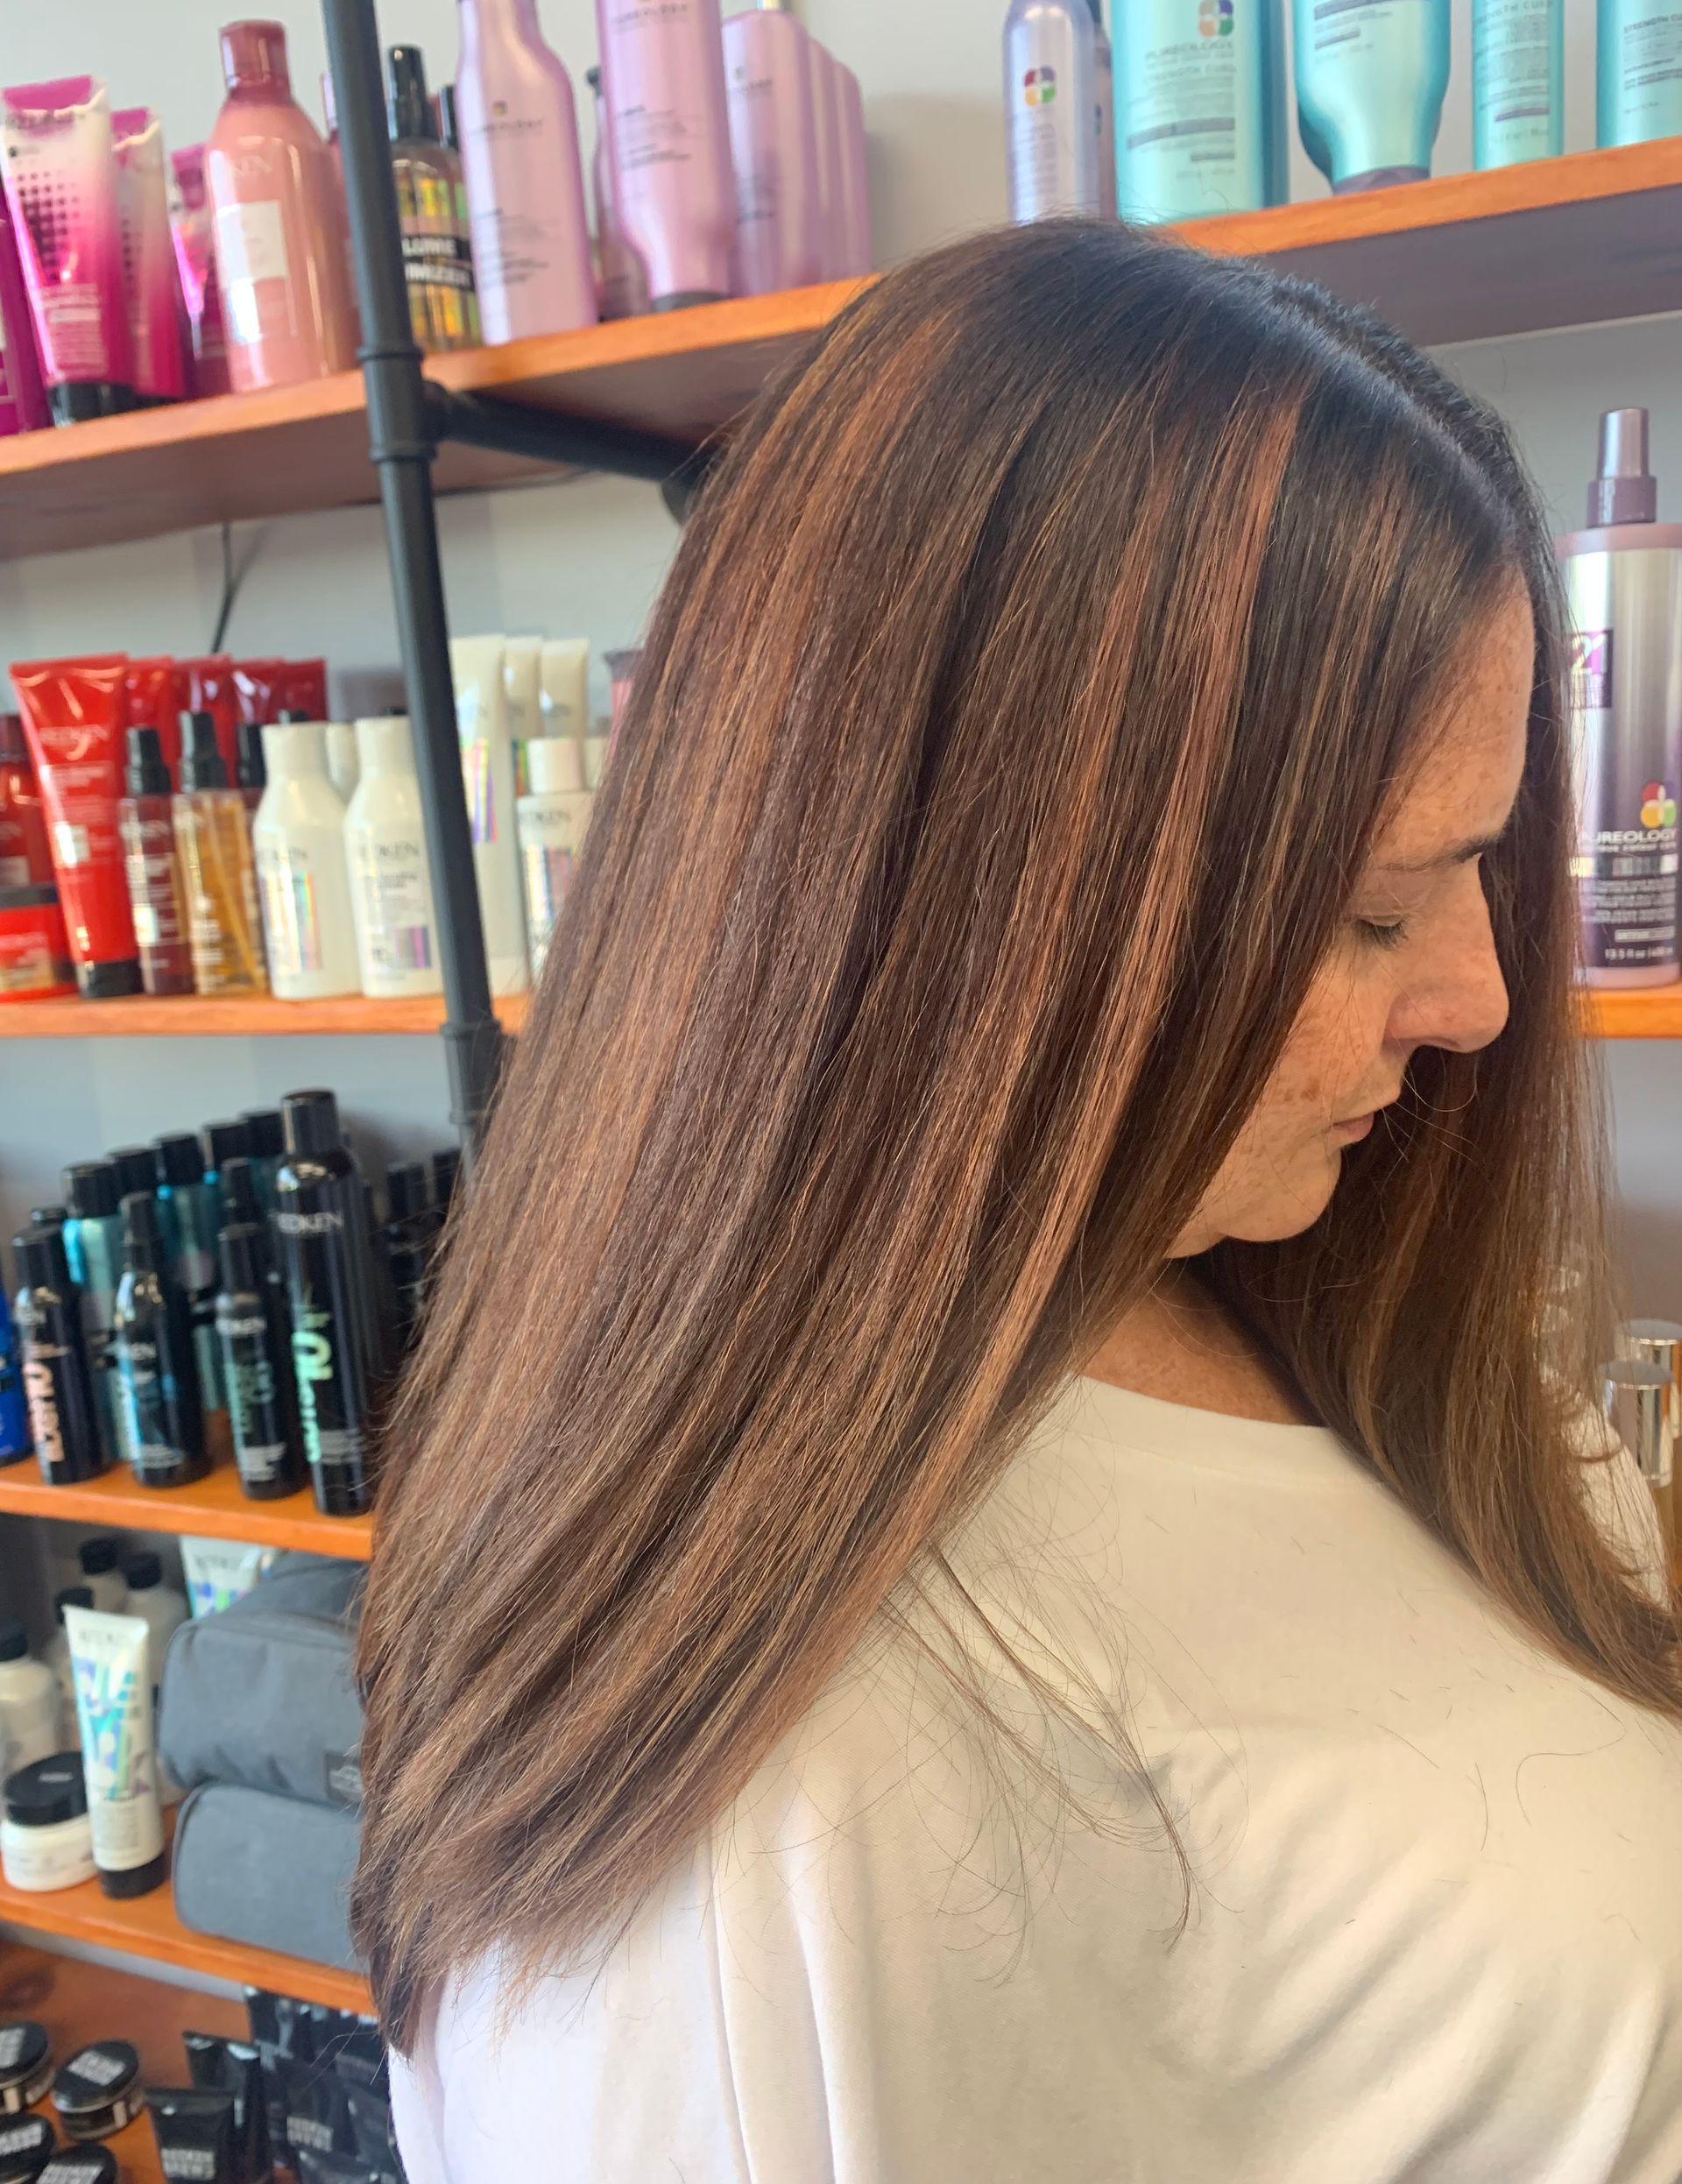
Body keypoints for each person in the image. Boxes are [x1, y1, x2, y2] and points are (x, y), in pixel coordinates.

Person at [364, 225, 1682, 2181]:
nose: (1480, 1001)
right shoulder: (779, 1818)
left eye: (1477, 871)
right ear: (963, 924)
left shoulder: (1261, 1276)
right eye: (1369, 909)